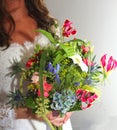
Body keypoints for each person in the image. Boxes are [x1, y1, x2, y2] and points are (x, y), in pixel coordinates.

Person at [0, 0, 73, 130]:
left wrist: (69, 102)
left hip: (59, 123)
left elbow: (64, 74)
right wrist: (33, 113)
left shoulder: (48, 22)